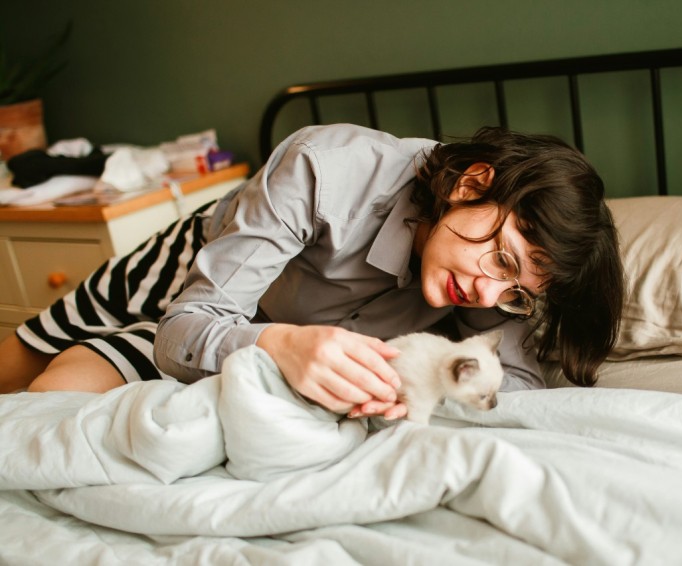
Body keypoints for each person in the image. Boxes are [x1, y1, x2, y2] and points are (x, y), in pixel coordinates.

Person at [0, 123, 624, 420]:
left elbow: (513, 383)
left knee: (54, 398)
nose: (491, 291)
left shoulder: (488, 285)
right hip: (194, 275)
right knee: (15, 362)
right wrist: (281, 343)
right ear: (471, 182)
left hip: (255, 333)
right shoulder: (325, 169)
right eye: (503, 259)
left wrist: (421, 393)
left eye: (516, 291)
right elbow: (187, 324)